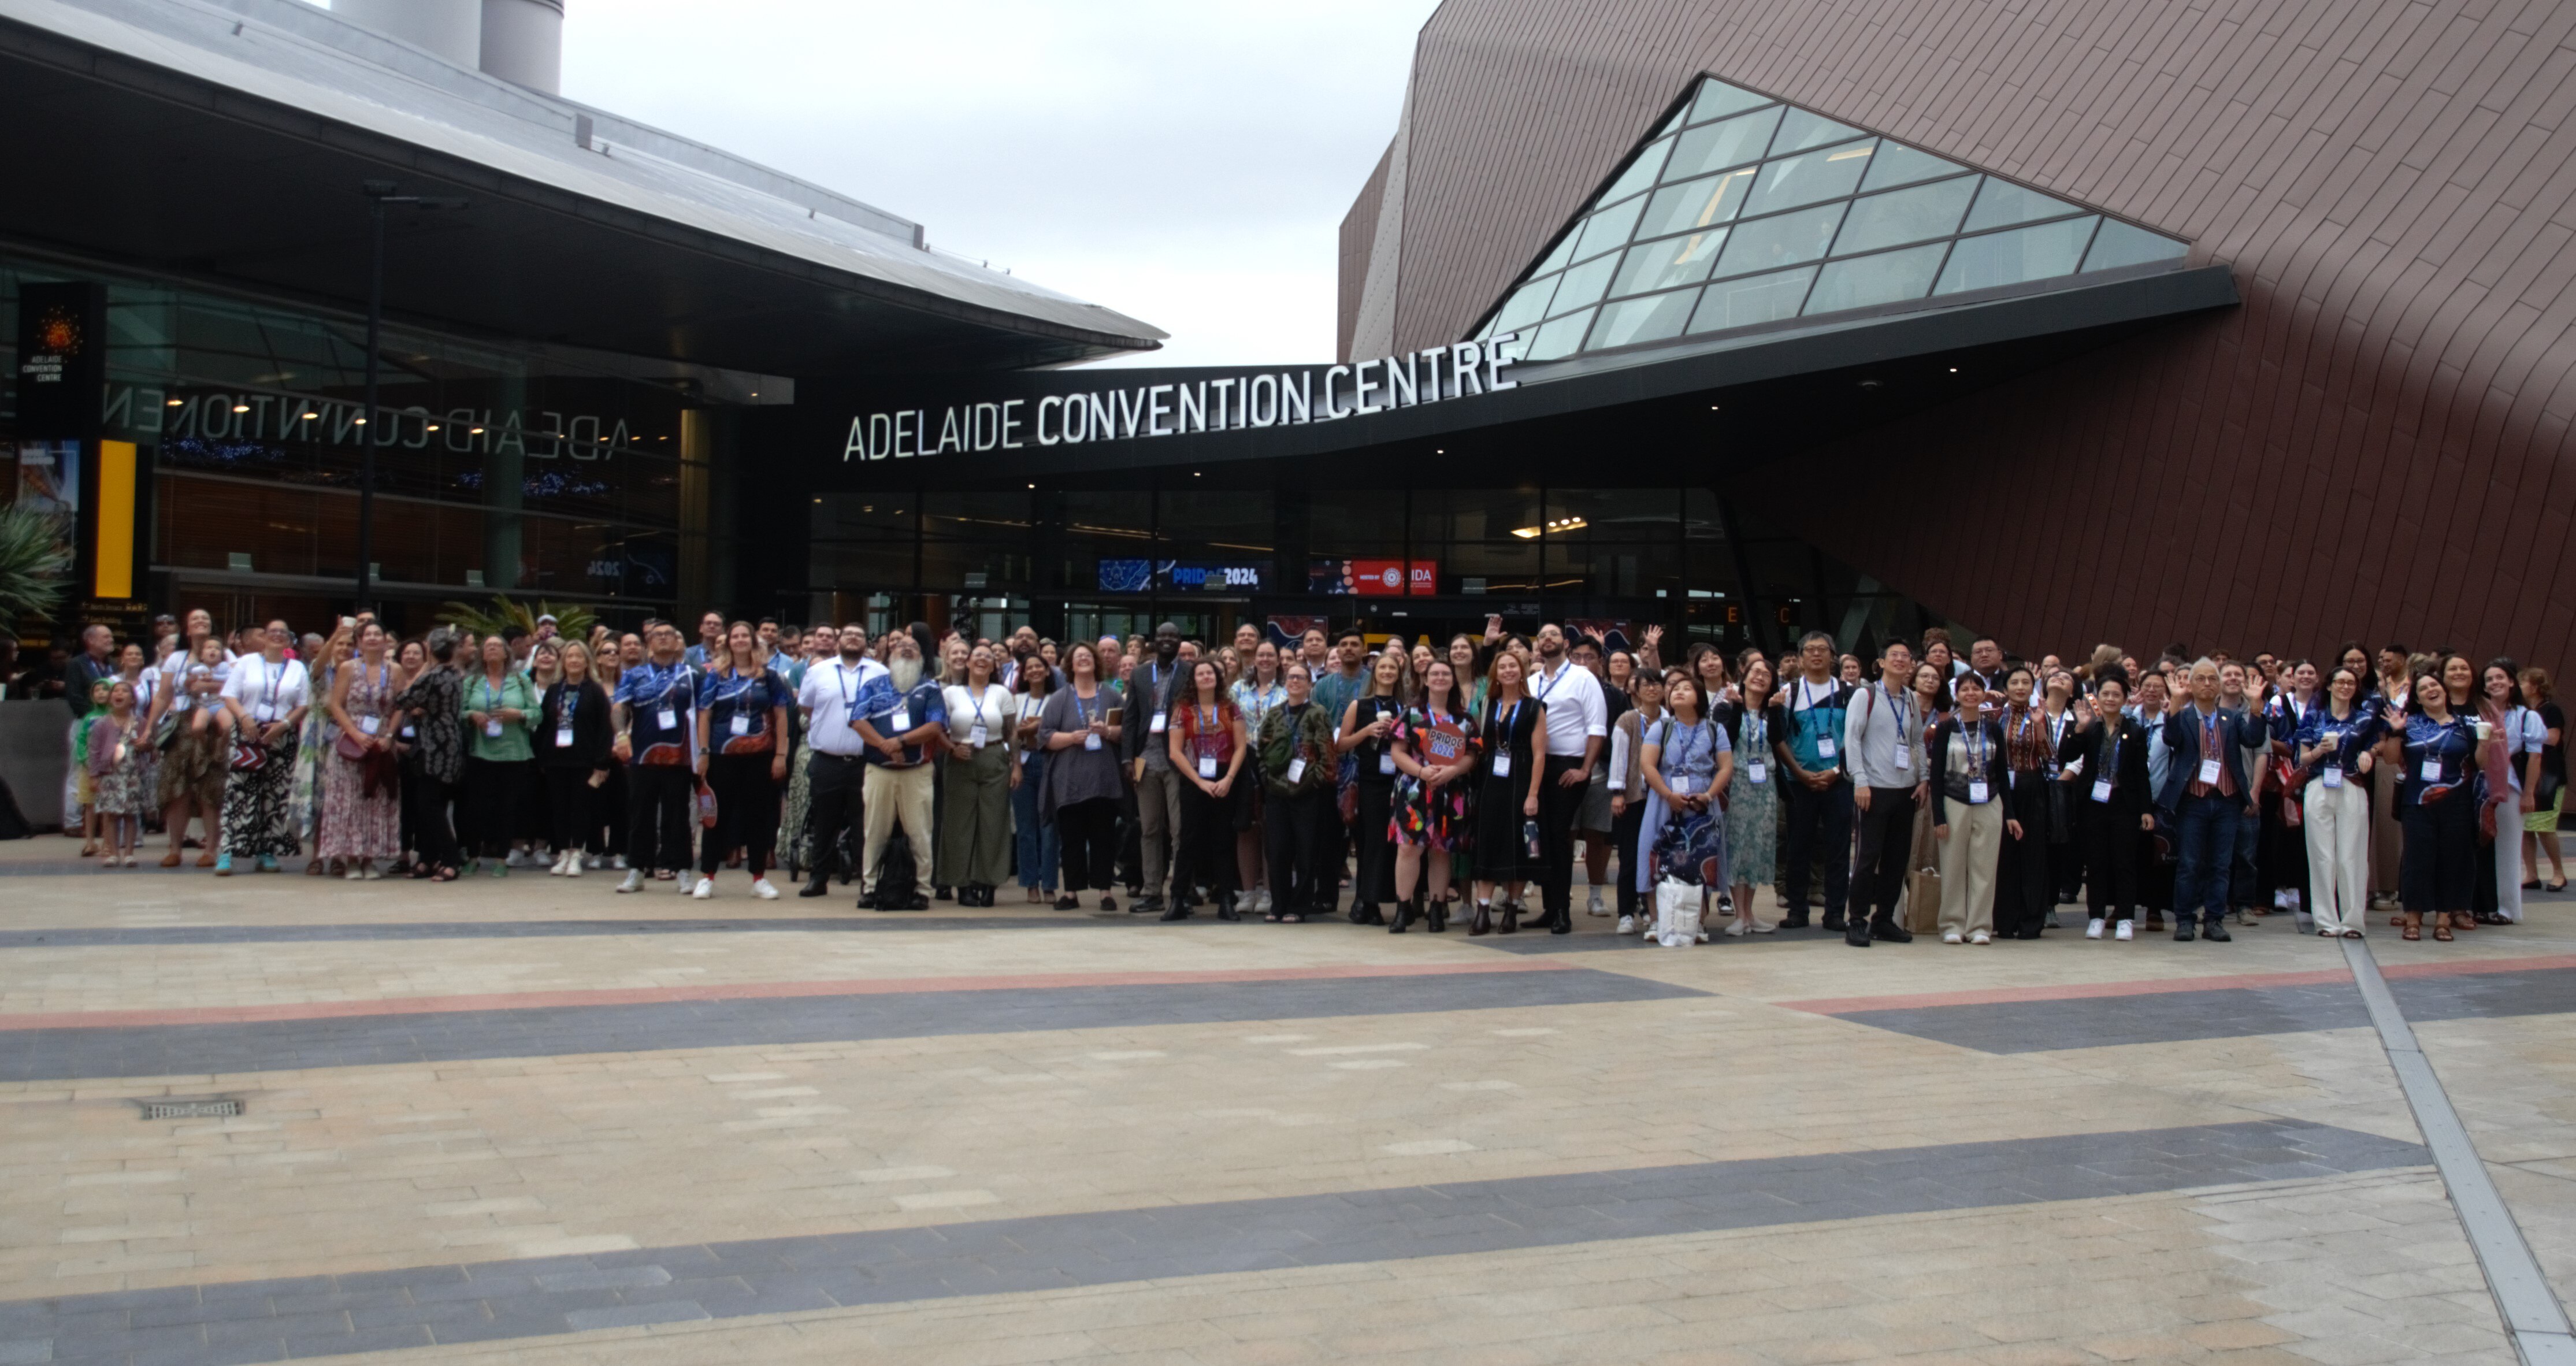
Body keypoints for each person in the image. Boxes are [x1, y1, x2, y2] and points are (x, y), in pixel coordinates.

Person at [2157, 658, 2266, 942]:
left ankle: (2215, 920)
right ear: (2190, 685)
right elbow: (2171, 739)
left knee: (2220, 864)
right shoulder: (2183, 715)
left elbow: (2254, 739)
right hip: (2192, 801)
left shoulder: (2231, 718)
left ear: (2219, 686)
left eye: (2212, 679)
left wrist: (2255, 707)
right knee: (2190, 863)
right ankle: (2185, 920)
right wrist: (2176, 705)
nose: (2207, 684)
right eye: (2201, 679)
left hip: (2227, 800)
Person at [694, 622, 792, 900]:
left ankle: (759, 878)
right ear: (728, 643)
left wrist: (781, 755)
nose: (739, 640)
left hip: (760, 756)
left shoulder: (770, 677)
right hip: (721, 756)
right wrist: (703, 753)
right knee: (716, 818)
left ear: (753, 642)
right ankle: (707, 876)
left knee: (758, 818)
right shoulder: (715, 676)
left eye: (744, 636)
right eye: (734, 636)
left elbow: (782, 717)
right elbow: (705, 716)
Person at [855, 629, 945, 911]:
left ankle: (922, 890)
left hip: (916, 772)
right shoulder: (873, 685)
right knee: (874, 832)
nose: (906, 649)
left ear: (922, 656)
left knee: (920, 833)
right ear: (890, 654)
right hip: (879, 770)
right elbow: (858, 720)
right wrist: (885, 744)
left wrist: (901, 741)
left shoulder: (930, 689)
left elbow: (935, 726)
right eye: (900, 646)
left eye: (913, 647)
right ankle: (869, 888)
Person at [1636, 673, 1732, 939]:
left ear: (1699, 698)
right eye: (1675, 688)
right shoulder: (1662, 728)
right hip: (1664, 801)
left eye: (1687, 688)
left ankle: (1698, 921)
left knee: (1703, 858)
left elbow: (1725, 767)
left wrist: (1709, 796)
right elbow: (1647, 765)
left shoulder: (1715, 729)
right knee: (1656, 856)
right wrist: (1668, 795)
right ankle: (1656, 921)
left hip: (1702, 804)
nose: (1678, 692)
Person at [1843, 640, 1925, 947]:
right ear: (1881, 663)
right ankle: (1857, 920)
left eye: (1907, 656)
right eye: (1895, 656)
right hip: (1873, 789)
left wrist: (1924, 778)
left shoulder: (1912, 699)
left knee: (1896, 859)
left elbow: (1917, 742)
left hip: (1905, 790)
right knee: (1867, 857)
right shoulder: (1865, 695)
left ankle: (1885, 919)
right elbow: (1851, 741)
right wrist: (1860, 781)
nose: (1902, 660)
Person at [1387, 658, 1478, 933]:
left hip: (1451, 791)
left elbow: (1473, 754)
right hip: (1415, 790)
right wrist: (1421, 772)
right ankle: (1403, 909)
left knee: (1441, 850)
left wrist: (1451, 772)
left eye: (1445, 674)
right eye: (1434, 674)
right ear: (1425, 680)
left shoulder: (1464, 718)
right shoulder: (1411, 713)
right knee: (1408, 848)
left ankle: (1437, 909)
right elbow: (1397, 752)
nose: (1440, 678)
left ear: (1453, 681)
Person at [1525, 624, 1606, 935]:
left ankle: (1562, 911)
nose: (1548, 639)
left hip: (1570, 767)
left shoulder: (1583, 678)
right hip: (1537, 766)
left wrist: (1586, 769)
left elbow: (1597, 728)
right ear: (1538, 645)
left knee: (1559, 836)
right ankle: (1548, 909)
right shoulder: (1531, 682)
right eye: (1542, 636)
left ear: (1565, 643)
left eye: (1554, 636)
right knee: (1543, 838)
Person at [2061, 669, 2153, 940]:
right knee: (2096, 862)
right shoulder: (2089, 728)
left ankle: (2125, 917)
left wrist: (2146, 809)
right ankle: (2096, 917)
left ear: (2125, 699)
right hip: (2093, 804)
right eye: (2105, 694)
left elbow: (2141, 774)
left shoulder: (2135, 731)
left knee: (2124, 862)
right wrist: (2078, 729)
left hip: (2124, 803)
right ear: (2097, 697)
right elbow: (2067, 755)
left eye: (2116, 694)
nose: (2111, 699)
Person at [214, 621, 311, 875]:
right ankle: (227, 851)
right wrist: (245, 718)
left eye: (284, 632)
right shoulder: (246, 662)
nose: (278, 635)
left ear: (290, 641)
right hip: (249, 731)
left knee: (274, 794)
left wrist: (285, 724)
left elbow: (304, 704)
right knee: (239, 791)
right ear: (264, 638)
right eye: (272, 632)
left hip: (281, 733)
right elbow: (230, 696)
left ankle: (266, 851)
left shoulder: (297, 667)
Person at [1773, 632, 1854, 930]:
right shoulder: (1789, 693)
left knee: (1837, 848)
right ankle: (1797, 910)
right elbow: (1779, 738)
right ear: (1801, 656)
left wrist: (1835, 771)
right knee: (1798, 847)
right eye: (1810, 650)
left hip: (1840, 780)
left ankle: (1835, 913)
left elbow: (1856, 739)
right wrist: (1799, 773)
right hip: (1800, 783)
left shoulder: (1850, 692)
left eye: (1823, 649)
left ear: (1833, 656)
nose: (1817, 655)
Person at [795, 625, 884, 898]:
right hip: (827, 760)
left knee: (864, 825)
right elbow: (807, 706)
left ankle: (868, 883)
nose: (853, 639)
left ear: (864, 642)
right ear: (838, 641)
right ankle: (818, 879)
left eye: (859, 635)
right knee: (824, 823)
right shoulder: (818, 671)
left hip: (864, 761)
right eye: (848, 635)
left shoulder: (880, 673)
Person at [2389, 671, 2478, 941]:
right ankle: (2414, 918)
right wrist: (2395, 732)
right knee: (2417, 860)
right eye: (2424, 688)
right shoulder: (2409, 722)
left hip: (2457, 803)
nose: (2431, 690)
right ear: (2417, 697)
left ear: (2445, 691)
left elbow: (2480, 763)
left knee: (2452, 859)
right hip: (2417, 801)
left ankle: (2443, 919)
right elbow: (2393, 757)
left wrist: (2487, 742)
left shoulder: (2465, 726)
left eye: (2435, 685)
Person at [2294, 665, 2382, 938]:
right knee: (2321, 855)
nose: (2345, 687)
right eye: (2340, 682)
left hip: (2351, 784)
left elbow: (2378, 743)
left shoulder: (2365, 718)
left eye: (2351, 683)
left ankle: (2353, 920)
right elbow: (2302, 758)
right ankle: (2326, 921)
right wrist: (2319, 750)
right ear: (2329, 686)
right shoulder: (2314, 716)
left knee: (2352, 856)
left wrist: (2369, 753)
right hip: (2319, 784)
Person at [1038, 641, 1126, 912]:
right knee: (1072, 839)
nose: (1084, 660)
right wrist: (1071, 738)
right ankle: (1072, 893)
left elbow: (1124, 732)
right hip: (1069, 781)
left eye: (1089, 656)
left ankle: (1105, 893)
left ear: (1096, 662)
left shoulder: (1111, 695)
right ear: (1070, 665)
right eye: (1079, 657)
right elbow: (1045, 736)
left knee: (1104, 838)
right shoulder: (1060, 698)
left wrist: (1107, 733)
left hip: (1104, 780)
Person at [611, 623, 699, 892]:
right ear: (649, 642)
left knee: (678, 816)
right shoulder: (634, 674)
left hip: (679, 757)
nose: (663, 639)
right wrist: (621, 736)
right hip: (643, 756)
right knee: (640, 816)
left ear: (678, 643)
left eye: (669, 635)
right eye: (657, 635)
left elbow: (703, 714)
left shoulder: (692, 675)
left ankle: (682, 869)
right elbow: (618, 707)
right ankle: (637, 869)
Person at [1471, 649, 1548, 935]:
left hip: (1522, 775)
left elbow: (1540, 754)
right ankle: (1482, 910)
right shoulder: (1487, 702)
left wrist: (1533, 794)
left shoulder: (1534, 706)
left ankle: (1512, 909)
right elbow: (1481, 742)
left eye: (1512, 666)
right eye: (1502, 667)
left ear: (1522, 671)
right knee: (1488, 841)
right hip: (1491, 776)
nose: (1507, 671)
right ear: (1495, 673)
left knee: (1516, 844)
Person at [1929, 673, 2010, 944]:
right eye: (1965, 689)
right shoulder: (1946, 727)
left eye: (1977, 688)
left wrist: (2009, 813)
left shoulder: (1993, 728)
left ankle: (1980, 927)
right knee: (1952, 865)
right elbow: (1937, 774)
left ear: (1984, 694)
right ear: (1957, 695)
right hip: (1954, 799)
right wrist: (1938, 815)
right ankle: (1952, 924)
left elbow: (2002, 773)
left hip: (1989, 800)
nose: (1971, 693)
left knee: (1985, 867)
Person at [1165, 658, 1248, 921]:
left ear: (1218, 678)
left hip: (1225, 777)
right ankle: (1178, 899)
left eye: (1210, 673)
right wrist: (1199, 782)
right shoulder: (1183, 710)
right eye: (1200, 673)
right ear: (1193, 680)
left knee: (1223, 840)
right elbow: (1175, 752)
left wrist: (1230, 779)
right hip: (1193, 777)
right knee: (1188, 840)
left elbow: (1241, 747)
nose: (1206, 677)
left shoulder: (1231, 708)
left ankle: (1225, 899)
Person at [1255, 660, 1338, 922]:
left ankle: (1299, 906)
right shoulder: (1274, 714)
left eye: (1301, 678)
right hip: (1277, 791)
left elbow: (1328, 755)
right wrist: (1267, 778)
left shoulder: (1318, 713)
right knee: (1278, 850)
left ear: (1309, 684)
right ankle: (1278, 904)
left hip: (1307, 792)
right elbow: (1261, 749)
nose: (1295, 682)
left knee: (1306, 850)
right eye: (1291, 677)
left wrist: (1313, 782)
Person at [937, 642, 1018, 907]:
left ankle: (989, 882)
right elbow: (938, 728)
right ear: (968, 663)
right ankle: (963, 884)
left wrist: (1016, 765)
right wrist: (951, 749)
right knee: (958, 824)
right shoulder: (952, 693)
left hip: (994, 756)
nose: (982, 660)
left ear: (995, 665)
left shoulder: (1001, 693)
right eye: (977, 656)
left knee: (993, 823)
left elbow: (1012, 732)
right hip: (961, 757)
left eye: (988, 657)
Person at [321, 622, 403, 879]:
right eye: (367, 635)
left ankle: (370, 859)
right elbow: (335, 704)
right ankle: (352, 859)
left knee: (376, 799)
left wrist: (390, 735)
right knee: (350, 801)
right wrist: (355, 734)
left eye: (377, 634)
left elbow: (401, 706)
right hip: (352, 741)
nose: (372, 639)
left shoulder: (395, 670)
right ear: (359, 641)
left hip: (381, 741)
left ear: (385, 641)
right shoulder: (348, 668)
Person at [1336, 645, 1410, 925]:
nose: (1388, 672)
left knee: (1395, 844)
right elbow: (1340, 744)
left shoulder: (1406, 707)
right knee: (1372, 842)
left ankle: (1379, 900)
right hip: (1370, 781)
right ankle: (1369, 902)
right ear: (1374, 673)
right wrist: (1366, 732)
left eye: (1393, 668)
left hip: (1401, 780)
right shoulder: (1361, 705)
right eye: (1383, 668)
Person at [456, 635, 538, 878]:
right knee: (476, 808)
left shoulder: (521, 681)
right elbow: (457, 712)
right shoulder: (471, 682)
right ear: (482, 654)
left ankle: (502, 857)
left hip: (514, 753)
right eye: (487, 646)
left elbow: (537, 713)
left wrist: (519, 714)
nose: (491, 649)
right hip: (480, 752)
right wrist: (472, 715)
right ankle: (473, 855)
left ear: (506, 653)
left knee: (507, 807)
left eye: (497, 646)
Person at [1122, 622, 1189, 915]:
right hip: (1145, 761)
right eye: (1161, 635)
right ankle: (1152, 891)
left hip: (1178, 761)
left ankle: (1181, 892)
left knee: (1180, 830)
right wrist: (1127, 758)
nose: (1167, 640)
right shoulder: (1139, 674)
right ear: (1154, 641)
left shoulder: (1189, 672)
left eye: (1172, 636)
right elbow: (1130, 719)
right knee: (1149, 829)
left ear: (1179, 641)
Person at [2472, 659, 2544, 925]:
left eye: (2500, 678)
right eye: (2489, 679)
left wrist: (2529, 794)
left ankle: (2508, 909)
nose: (2495, 683)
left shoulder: (2526, 717)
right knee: (2479, 848)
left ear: (2512, 682)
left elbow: (2535, 758)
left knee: (2508, 848)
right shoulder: (2479, 714)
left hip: (2511, 788)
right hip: (2480, 786)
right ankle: (2480, 904)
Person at [391, 630, 466, 882]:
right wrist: (421, 709)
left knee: (429, 805)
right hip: (451, 741)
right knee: (435, 803)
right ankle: (427, 857)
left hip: (433, 746)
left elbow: (402, 700)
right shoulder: (455, 675)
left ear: (429, 650)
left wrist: (418, 702)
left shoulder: (431, 676)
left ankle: (451, 859)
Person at [1988, 665, 2056, 942]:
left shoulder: (2040, 715)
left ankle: (2031, 920)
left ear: (2033, 687)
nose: (2019, 687)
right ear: (2005, 688)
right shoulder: (1994, 717)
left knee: (2033, 854)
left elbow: (2050, 758)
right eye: (2014, 682)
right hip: (2002, 790)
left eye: (2025, 682)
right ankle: (2004, 920)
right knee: (2004, 855)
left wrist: (2040, 728)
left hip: (2033, 787)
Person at [533, 639, 611, 879]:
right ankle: (562, 853)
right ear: (563, 662)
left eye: (579, 657)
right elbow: (544, 725)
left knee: (580, 808)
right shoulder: (555, 690)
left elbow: (604, 729)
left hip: (585, 761)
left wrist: (602, 762)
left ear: (587, 662)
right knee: (559, 808)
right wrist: (541, 757)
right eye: (570, 657)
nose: (574, 661)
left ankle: (577, 852)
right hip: (556, 759)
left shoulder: (595, 691)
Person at [149, 636, 229, 868]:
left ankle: (211, 849)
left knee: (211, 790)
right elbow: (166, 694)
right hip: (182, 727)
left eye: (204, 619)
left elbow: (235, 686)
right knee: (177, 789)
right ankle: (175, 848)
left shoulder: (228, 659)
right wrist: (149, 728)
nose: (200, 624)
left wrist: (206, 686)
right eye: (195, 620)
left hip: (215, 728)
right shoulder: (178, 658)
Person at [1717, 658, 1781, 936]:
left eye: (1767, 674)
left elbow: (1779, 740)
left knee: (1758, 847)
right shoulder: (1726, 707)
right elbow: (1726, 741)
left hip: (1766, 787)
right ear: (1743, 675)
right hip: (1738, 784)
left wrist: (1778, 711)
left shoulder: (1774, 711)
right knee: (1737, 845)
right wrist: (1738, 707)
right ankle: (1739, 914)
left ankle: (1750, 913)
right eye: (1756, 672)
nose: (1760, 677)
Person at [1569, 636, 1627, 919]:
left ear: (1600, 661)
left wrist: (1619, 783)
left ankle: (1595, 896)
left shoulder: (1613, 695)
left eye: (1589, 657)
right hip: (1565, 773)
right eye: (1577, 656)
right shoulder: (1560, 689)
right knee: (1565, 834)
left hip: (1602, 775)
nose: (1582, 662)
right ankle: (1560, 895)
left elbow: (1620, 740)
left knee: (1599, 836)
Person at [1607, 667, 1666, 934]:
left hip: (1664, 796)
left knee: (1660, 854)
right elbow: (1619, 758)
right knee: (1630, 854)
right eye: (1646, 685)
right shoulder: (1627, 720)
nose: (1652, 689)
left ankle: (1652, 908)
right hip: (1634, 796)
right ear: (1635, 690)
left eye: (1657, 684)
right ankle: (1625, 912)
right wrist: (1618, 793)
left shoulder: (1671, 720)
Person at [1228, 642, 1285, 915]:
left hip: (1277, 764)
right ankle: (1249, 891)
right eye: (1261, 655)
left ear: (1278, 660)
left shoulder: (1287, 691)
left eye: (1270, 655)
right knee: (1246, 827)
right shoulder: (1238, 689)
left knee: (1271, 829)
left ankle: (1270, 891)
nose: (1264, 659)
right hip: (1244, 761)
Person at [1010, 652, 1061, 904]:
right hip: (1023, 762)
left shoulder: (1058, 699)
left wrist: (1036, 726)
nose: (1034, 671)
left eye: (1038, 666)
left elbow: (1060, 728)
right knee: (1026, 828)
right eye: (1028, 668)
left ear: (1048, 671)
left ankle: (1050, 883)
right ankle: (1031, 883)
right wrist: (1016, 765)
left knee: (1050, 827)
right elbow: (1011, 734)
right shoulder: (1016, 699)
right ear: (1023, 674)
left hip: (1050, 763)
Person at [86, 680, 144, 867]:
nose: (119, 694)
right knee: (110, 814)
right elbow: (94, 751)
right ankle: (112, 852)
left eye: (124, 692)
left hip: (133, 774)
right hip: (110, 774)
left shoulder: (140, 722)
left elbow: (151, 747)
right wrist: (94, 775)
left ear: (133, 700)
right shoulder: (102, 724)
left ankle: (129, 853)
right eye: (116, 691)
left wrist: (147, 745)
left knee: (131, 814)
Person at [2522, 667, 2566, 893]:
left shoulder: (2550, 711)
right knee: (2526, 827)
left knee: (2545, 826)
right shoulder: (2523, 710)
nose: (2519, 687)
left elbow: (2553, 738)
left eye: (2523, 682)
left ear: (2535, 687)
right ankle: (2531, 873)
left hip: (2549, 775)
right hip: (2529, 773)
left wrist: (2526, 735)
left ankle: (2558, 872)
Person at [62, 622, 114, 721]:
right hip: (87, 721)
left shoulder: (113, 664)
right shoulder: (77, 664)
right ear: (91, 640)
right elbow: (75, 698)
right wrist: (97, 715)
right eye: (106, 637)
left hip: (112, 722)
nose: (111, 640)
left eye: (111, 637)